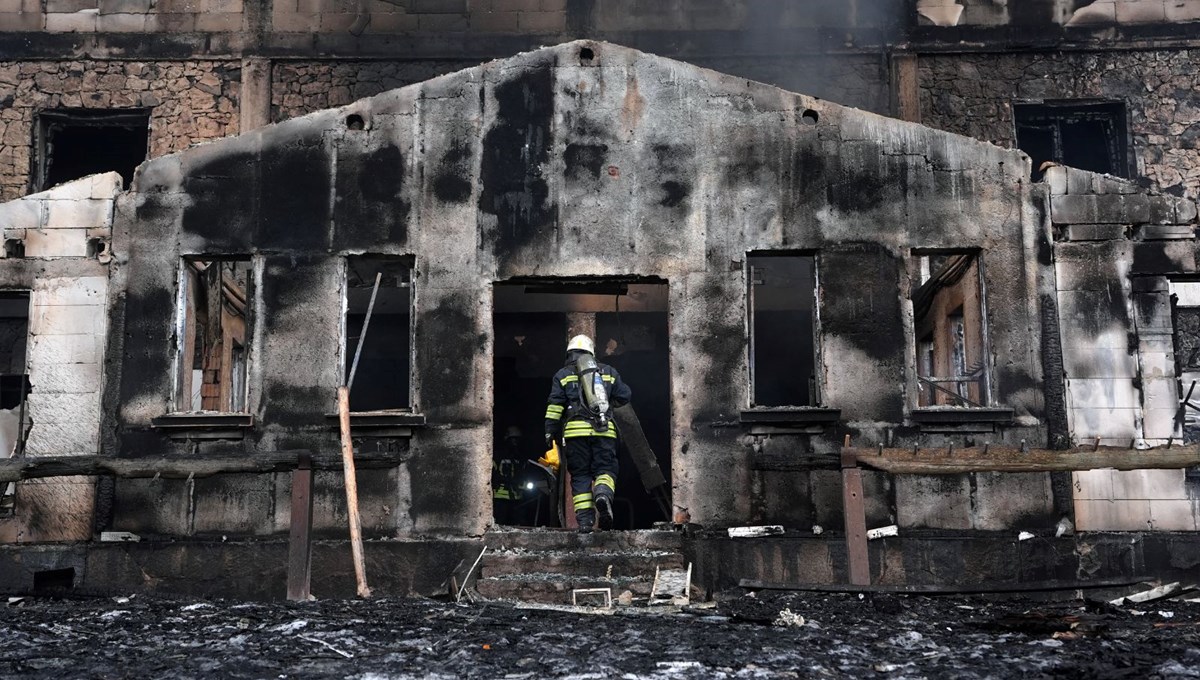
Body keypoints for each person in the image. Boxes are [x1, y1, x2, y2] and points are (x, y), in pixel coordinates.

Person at [544, 334, 631, 533]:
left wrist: (549, 431)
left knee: (580, 474)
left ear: (569, 353)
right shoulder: (608, 372)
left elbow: (554, 406)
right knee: (605, 469)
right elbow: (625, 396)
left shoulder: (562, 375)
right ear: (591, 352)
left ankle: (585, 521)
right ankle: (602, 494)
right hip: (604, 431)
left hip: (575, 434)